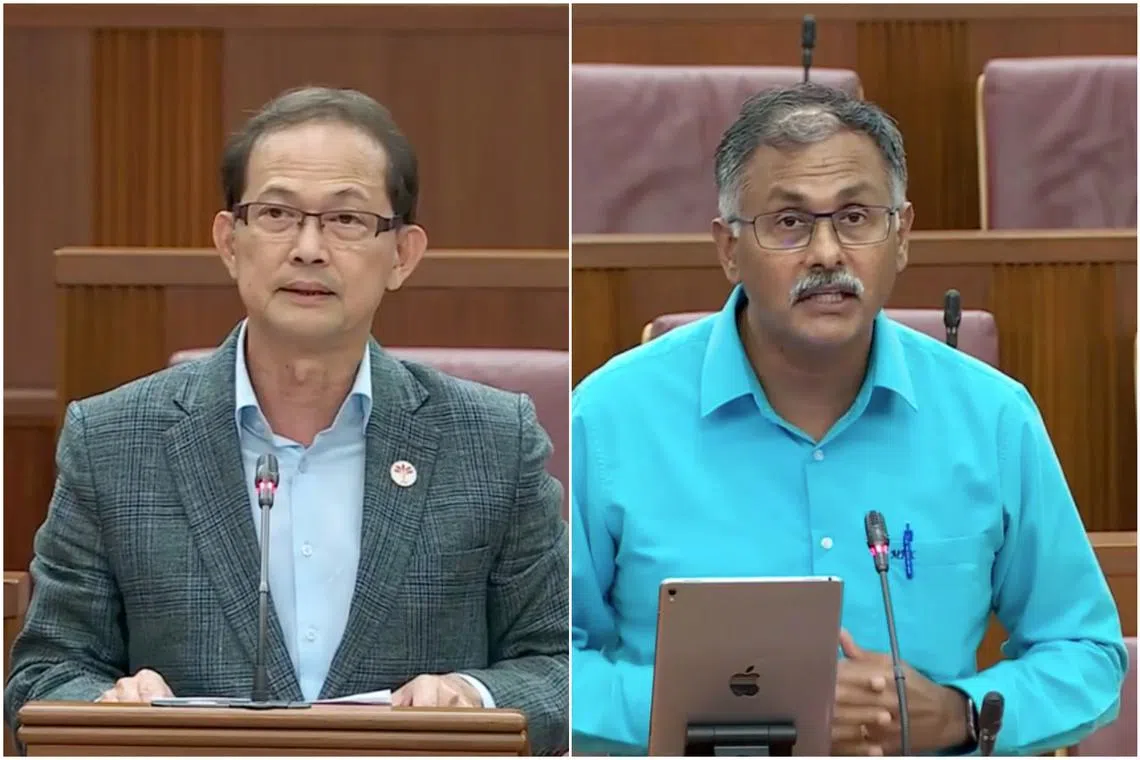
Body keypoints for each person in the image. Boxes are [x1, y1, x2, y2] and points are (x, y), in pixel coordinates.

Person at [6, 87, 568, 754]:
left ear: (403, 255)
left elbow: (561, 663)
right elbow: (42, 677)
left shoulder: (494, 441)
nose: (308, 248)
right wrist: (108, 704)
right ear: (229, 241)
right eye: (276, 213)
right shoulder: (112, 440)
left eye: (347, 221)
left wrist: (470, 699)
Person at [570, 83, 1126, 756]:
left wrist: (958, 715)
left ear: (902, 237)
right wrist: (718, 714)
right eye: (789, 223)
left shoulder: (992, 417)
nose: (828, 253)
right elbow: (549, 661)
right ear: (727, 248)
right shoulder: (611, 419)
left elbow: (1085, 653)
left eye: (857, 217)